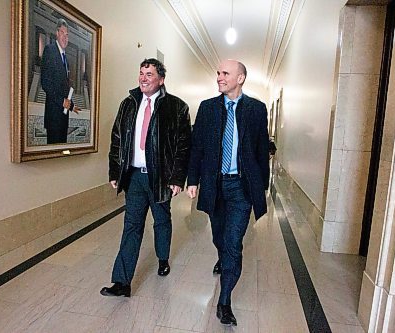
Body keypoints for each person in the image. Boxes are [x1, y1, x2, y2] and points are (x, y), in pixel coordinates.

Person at [187, 59, 269, 326]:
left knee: (234, 243)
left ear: (241, 78)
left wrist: (262, 188)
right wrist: (192, 181)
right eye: (218, 73)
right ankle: (221, 258)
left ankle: (225, 301)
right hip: (215, 184)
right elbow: (197, 147)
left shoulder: (256, 109)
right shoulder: (208, 108)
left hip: (242, 188)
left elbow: (261, 152)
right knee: (220, 238)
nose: (220, 77)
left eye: (225, 73)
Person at [101, 58, 191, 298]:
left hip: (160, 177)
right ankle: (122, 282)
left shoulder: (177, 107)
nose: (143, 78)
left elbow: (183, 146)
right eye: (141, 73)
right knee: (131, 226)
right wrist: (114, 171)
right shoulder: (128, 104)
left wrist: (177, 178)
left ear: (161, 79)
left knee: (161, 220)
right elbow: (117, 139)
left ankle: (162, 258)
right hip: (134, 177)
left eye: (149, 74)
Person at [41, 18, 79, 144]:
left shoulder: (65, 59)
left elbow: (64, 87)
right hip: (53, 118)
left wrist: (71, 105)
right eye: (62, 33)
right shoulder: (50, 50)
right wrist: (62, 101)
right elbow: (46, 83)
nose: (65, 37)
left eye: (67, 35)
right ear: (57, 33)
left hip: (63, 118)